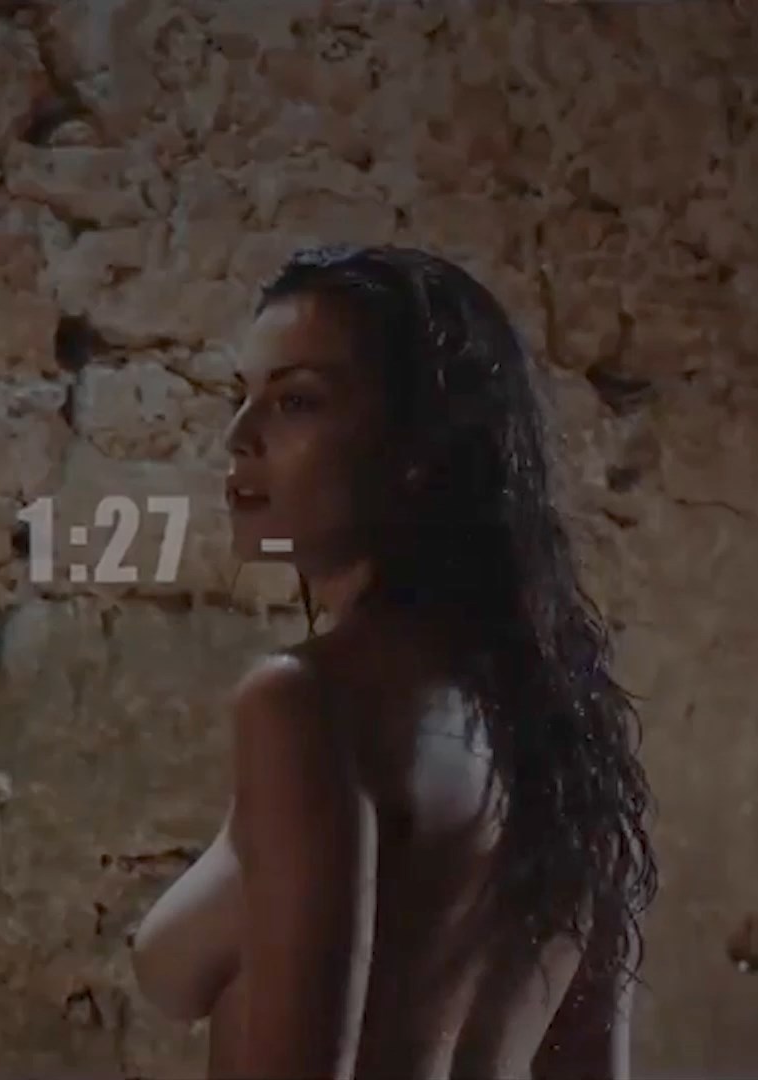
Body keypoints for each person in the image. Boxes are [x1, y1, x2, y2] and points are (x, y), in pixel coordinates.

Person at [130, 246, 658, 1079]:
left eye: (296, 401)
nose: (238, 437)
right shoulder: (562, 737)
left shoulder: (307, 703)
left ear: (418, 448)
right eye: (243, 398)